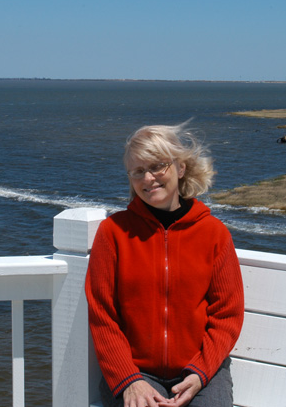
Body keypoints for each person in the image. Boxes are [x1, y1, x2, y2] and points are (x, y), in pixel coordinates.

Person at [85, 123, 244, 407]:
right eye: (137, 171)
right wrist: (129, 380)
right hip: (135, 371)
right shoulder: (113, 233)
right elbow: (102, 315)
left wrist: (200, 373)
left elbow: (227, 314)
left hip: (200, 369)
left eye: (158, 166)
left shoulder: (214, 234)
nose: (149, 178)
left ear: (180, 168)